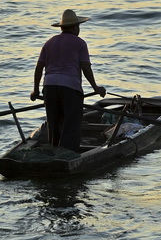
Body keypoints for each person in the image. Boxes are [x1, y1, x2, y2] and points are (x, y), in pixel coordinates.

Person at [30, 9, 106, 153]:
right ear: (74, 27)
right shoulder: (80, 43)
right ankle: (67, 156)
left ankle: (54, 152)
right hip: (70, 89)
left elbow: (39, 67)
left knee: (54, 124)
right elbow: (85, 67)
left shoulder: (49, 43)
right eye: (78, 26)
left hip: (50, 87)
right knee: (71, 124)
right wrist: (96, 87)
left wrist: (36, 90)